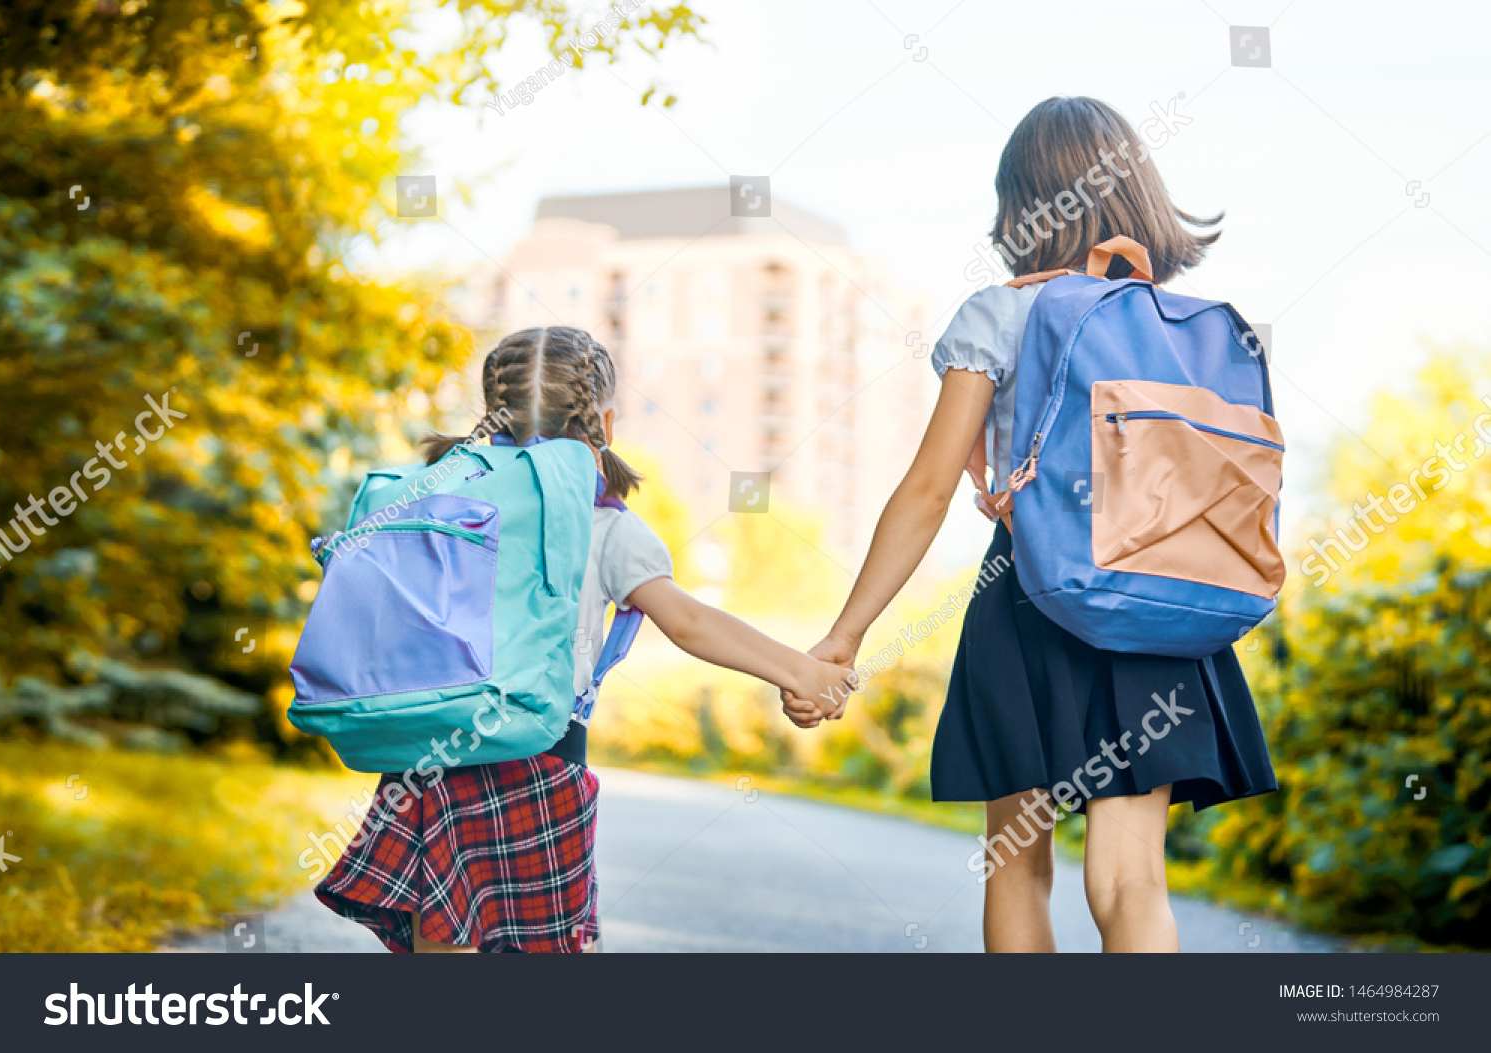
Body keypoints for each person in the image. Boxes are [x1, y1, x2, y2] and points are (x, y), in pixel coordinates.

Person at [783, 97, 1277, 953]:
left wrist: (844, 634)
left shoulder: (1002, 312)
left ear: (1022, 204)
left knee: (1017, 861)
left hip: (1034, 597)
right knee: (1133, 878)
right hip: (1165, 604)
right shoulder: (1187, 328)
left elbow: (929, 489)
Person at [315, 325, 853, 953]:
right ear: (606, 421)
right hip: (540, 766)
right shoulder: (606, 528)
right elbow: (691, 623)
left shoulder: (442, 506)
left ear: (493, 414)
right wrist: (801, 671)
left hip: (430, 764)